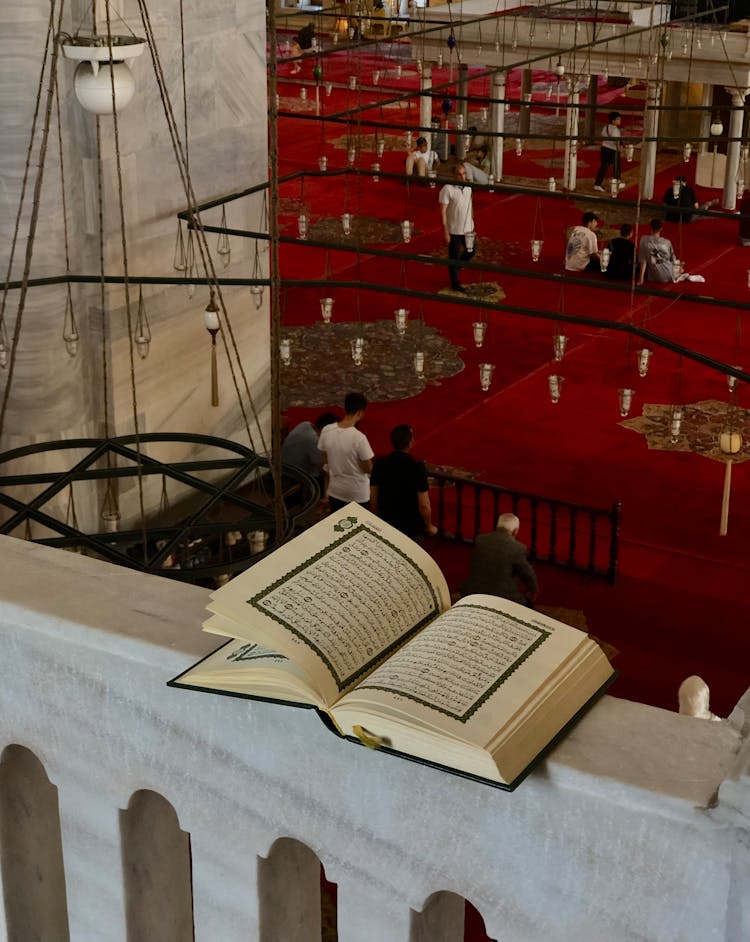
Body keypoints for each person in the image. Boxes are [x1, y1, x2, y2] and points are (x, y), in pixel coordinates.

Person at [370, 424, 437, 540]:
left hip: (387, 523)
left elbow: (373, 498)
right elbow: (424, 504)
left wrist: (377, 520)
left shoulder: (380, 464)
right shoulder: (417, 468)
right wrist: (429, 526)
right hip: (411, 528)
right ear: (410, 442)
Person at [460, 512, 538, 605]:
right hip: (502, 597)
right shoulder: (517, 548)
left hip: (472, 592)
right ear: (515, 531)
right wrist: (533, 590)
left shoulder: (480, 540)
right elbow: (527, 573)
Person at [318, 391, 374, 512]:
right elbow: (368, 468)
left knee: (339, 526)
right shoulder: (359, 438)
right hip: (357, 493)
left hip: (335, 490)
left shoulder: (327, 430)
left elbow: (324, 460)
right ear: (361, 413)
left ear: (345, 409)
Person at [438, 162, 475, 292]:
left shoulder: (469, 187)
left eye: (464, 174)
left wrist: (472, 221)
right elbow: (443, 211)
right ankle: (455, 283)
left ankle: (456, 267)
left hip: (468, 228)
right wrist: (445, 230)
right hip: (454, 229)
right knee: (453, 256)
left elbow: (470, 205)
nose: (463, 177)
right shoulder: (447, 189)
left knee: (471, 251)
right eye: (459, 175)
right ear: (454, 176)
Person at [281, 412, 339, 479]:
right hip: (294, 478)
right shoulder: (314, 440)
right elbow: (323, 470)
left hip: (285, 469)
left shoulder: (305, 424)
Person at [594, 112, 626, 192]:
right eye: (618, 119)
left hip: (604, 148)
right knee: (617, 167)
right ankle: (617, 183)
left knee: (603, 167)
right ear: (613, 121)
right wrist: (620, 149)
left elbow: (602, 135)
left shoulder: (606, 127)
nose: (620, 120)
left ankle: (597, 184)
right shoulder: (615, 130)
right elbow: (616, 141)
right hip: (613, 150)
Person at [637, 218, 676, 284]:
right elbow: (672, 259)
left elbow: (643, 260)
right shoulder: (667, 242)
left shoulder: (644, 240)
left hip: (654, 276)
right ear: (661, 229)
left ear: (650, 227)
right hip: (669, 275)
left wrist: (641, 278)